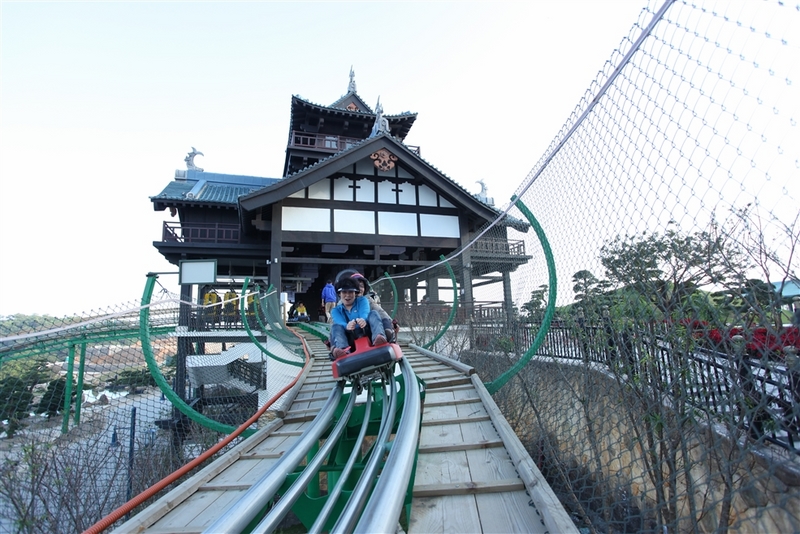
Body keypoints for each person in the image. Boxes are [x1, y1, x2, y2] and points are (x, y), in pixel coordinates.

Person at [330, 277, 387, 359]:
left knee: (373, 313)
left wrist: (363, 319)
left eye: (350, 292)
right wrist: (347, 326)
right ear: (339, 294)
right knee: (335, 326)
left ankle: (378, 337)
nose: (347, 295)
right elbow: (339, 321)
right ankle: (342, 349)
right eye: (344, 292)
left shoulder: (362, 300)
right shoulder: (336, 310)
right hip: (350, 337)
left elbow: (365, 312)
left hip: (366, 331)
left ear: (355, 293)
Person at [335, 269, 397, 342]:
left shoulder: (368, 300)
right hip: (351, 334)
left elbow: (380, 312)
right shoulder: (342, 303)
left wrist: (391, 322)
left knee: (376, 315)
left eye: (361, 286)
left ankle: (383, 335)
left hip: (368, 331)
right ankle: (339, 347)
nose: (359, 289)